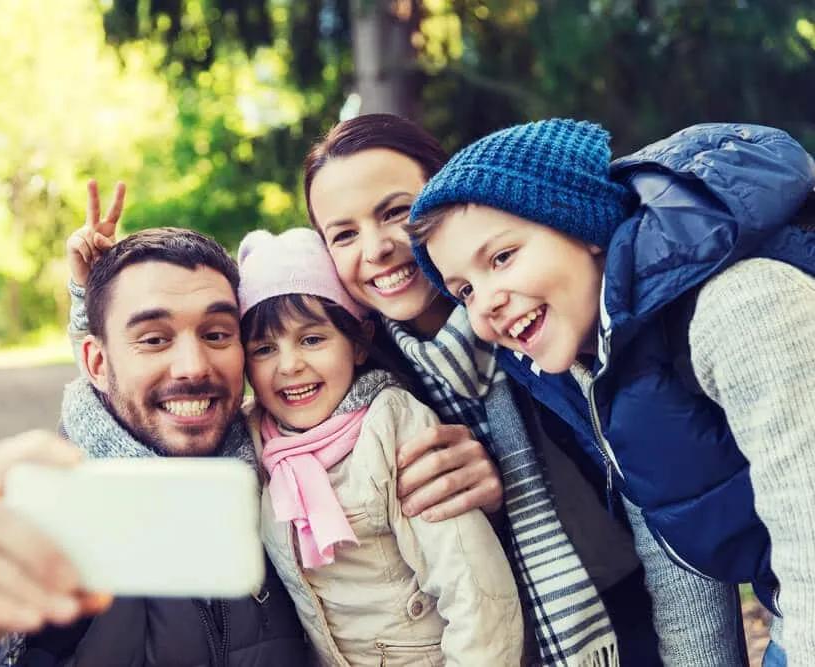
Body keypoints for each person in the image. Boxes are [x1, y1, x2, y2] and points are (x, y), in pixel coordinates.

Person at [0, 220, 500, 666]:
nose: (193, 365)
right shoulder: (49, 520)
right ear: (95, 362)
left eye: (217, 333)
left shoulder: (287, 481)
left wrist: (486, 464)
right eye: (154, 338)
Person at [302, 113, 751, 665]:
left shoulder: (554, 318)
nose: (375, 249)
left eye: (395, 212)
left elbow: (661, 499)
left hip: (631, 619)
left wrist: (502, 477)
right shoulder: (366, 379)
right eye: (343, 234)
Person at [406, 119, 815, 665]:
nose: (485, 307)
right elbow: (673, 547)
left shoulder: (738, 307)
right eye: (465, 290)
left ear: (583, 228)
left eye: (502, 257)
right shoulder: (597, 364)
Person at [236, 227, 522, 665]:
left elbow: (474, 589)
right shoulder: (256, 439)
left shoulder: (391, 424)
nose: (289, 365)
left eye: (312, 339)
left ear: (356, 343)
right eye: (264, 348)